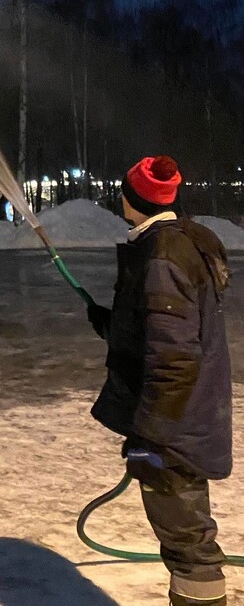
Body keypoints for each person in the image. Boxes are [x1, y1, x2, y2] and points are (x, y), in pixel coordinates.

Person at [87, 155, 233, 606]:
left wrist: (150, 435)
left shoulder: (163, 256)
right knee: (184, 531)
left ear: (132, 199)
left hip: (175, 423)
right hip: (185, 413)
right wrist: (116, 325)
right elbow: (168, 329)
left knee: (187, 539)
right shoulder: (179, 242)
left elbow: (174, 357)